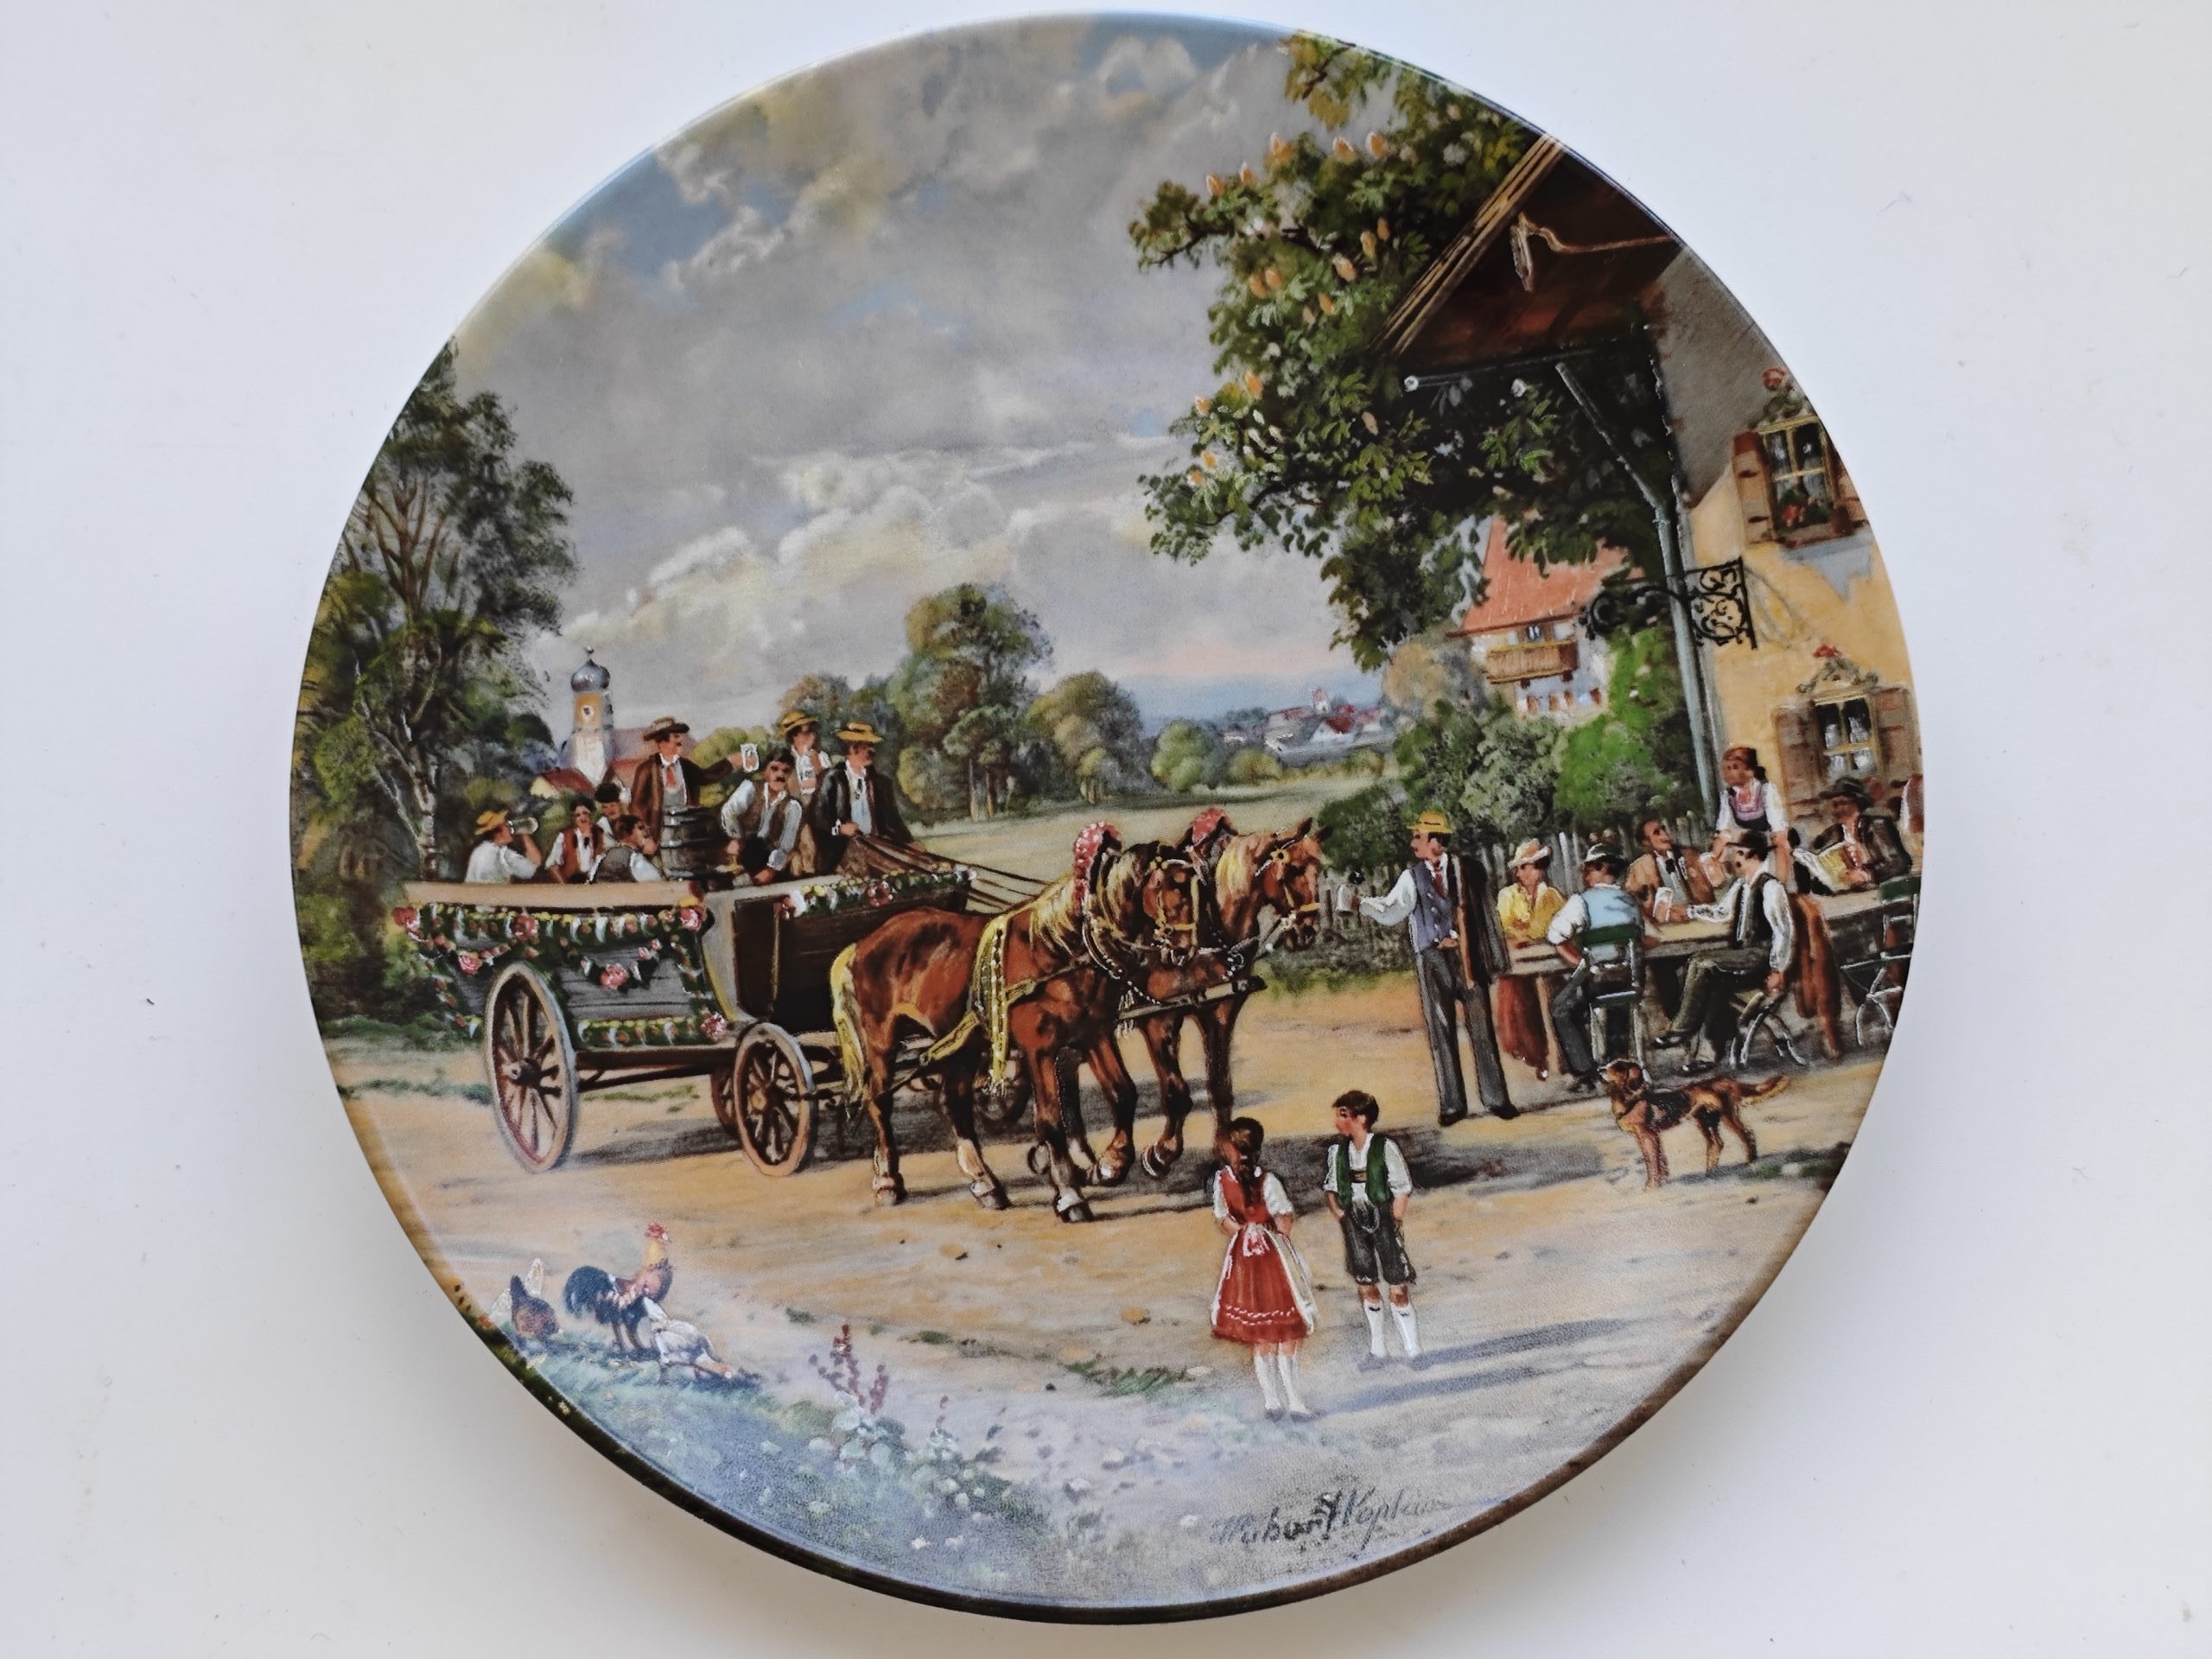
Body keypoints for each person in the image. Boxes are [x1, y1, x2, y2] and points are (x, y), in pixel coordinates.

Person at [1344, 810, 1516, 1124]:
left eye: (1418, 837)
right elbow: (1393, 909)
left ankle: (1496, 1099)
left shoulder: (1467, 870)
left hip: (1468, 957)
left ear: (1436, 841)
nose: (1413, 844)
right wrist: (1362, 904)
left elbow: (1486, 914)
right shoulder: (1412, 877)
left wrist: (1486, 953)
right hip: (1432, 959)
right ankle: (1452, 1105)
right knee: (1440, 1031)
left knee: (1482, 1028)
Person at [1654, 830, 1796, 1069]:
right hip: (1743, 956)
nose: (1734, 858)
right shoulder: (1741, 885)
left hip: (1760, 957)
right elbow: (1721, 912)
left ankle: (1680, 1029)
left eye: (1739, 853)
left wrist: (1778, 969)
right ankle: (1706, 1055)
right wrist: (1689, 911)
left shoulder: (1771, 887)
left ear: (1754, 856)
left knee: (1701, 961)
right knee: (1713, 983)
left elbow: (1783, 931)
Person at [1210, 1116, 1316, 1421]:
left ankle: (1279, 1402)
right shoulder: (1261, 1181)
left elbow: (1224, 1220)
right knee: (1279, 1332)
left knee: (1269, 1333)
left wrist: (1245, 1234)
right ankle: (1286, 1402)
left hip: (1250, 1261)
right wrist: (1259, 1233)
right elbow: (1283, 1221)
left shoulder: (1231, 1181)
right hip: (1266, 1261)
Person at [1320, 1090, 1422, 1370]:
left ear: (1362, 1118)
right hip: (1353, 1218)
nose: (1337, 1121)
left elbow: (1402, 1186)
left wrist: (1394, 1219)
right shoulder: (1337, 1152)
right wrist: (1341, 1213)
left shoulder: (1384, 1147)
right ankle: (1378, 1350)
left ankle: (1413, 1350)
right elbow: (1331, 1186)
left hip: (1382, 1216)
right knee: (1366, 1283)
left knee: (1397, 1283)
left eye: (1343, 1115)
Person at [1545, 842, 1651, 1092]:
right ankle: (1618, 1065)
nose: (1585, 874)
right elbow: (1643, 937)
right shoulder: (1630, 901)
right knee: (1617, 1001)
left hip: (1598, 979)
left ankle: (1585, 1073)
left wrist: (1577, 962)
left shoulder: (1581, 901)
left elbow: (1554, 934)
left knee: (1561, 1008)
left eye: (1590, 868)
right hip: (1630, 979)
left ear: (1603, 869)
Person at [1492, 839, 1564, 1077]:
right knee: (1515, 988)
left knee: (1558, 987)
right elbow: (1505, 927)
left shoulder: (1551, 895)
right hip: (1521, 958)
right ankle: (1532, 1051)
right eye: (1521, 867)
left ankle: (1564, 1056)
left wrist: (1528, 931)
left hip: (1550, 956)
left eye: (1531, 866)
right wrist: (1530, 932)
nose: (1524, 872)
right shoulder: (1508, 895)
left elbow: (1563, 922)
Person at [811, 721, 912, 873]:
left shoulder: (881, 783)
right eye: (865, 748)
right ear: (851, 750)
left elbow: (893, 820)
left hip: (877, 845)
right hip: (843, 850)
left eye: (871, 747)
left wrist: (909, 842)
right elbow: (818, 817)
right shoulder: (833, 779)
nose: (871, 752)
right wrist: (840, 829)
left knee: (912, 866)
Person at [626, 717, 733, 836]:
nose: (680, 740)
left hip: (687, 828)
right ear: (663, 742)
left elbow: (705, 777)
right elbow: (636, 806)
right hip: (660, 832)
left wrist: (729, 763)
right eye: (676, 736)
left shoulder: (685, 766)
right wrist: (646, 835)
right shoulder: (646, 769)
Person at [1807, 779, 1913, 890]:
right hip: (1853, 893)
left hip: (1886, 889)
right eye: (1834, 804)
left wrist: (1867, 874)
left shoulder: (1878, 826)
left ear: (1857, 803)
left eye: (1842, 803)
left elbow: (1900, 862)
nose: (1836, 809)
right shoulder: (1833, 833)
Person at [719, 749, 805, 885]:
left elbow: (785, 845)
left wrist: (770, 869)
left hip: (768, 859)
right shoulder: (750, 789)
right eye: (774, 769)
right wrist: (735, 837)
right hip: (741, 851)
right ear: (765, 771)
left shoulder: (793, 807)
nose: (780, 775)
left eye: (786, 771)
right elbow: (729, 811)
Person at [1624, 816, 1714, 923]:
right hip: (1666, 925)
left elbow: (1708, 889)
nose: (1664, 834)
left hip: (1699, 918)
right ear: (1646, 843)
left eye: (1664, 829)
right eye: (1657, 833)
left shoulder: (1691, 855)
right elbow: (1632, 902)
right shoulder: (1639, 868)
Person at [464, 810, 543, 883]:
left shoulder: (504, 852)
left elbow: (532, 867)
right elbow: (488, 884)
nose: (510, 828)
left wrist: (524, 834)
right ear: (498, 832)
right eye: (506, 826)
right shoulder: (486, 852)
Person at [588, 815, 662, 883]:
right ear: (627, 833)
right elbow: (654, 880)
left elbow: (591, 878)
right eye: (640, 828)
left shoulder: (603, 856)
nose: (645, 833)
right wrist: (649, 856)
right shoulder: (635, 858)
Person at [545, 800, 606, 883]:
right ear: (574, 818)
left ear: (591, 814)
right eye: (578, 815)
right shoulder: (565, 836)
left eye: (585, 813)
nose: (582, 818)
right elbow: (551, 865)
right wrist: (565, 886)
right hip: (571, 884)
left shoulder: (600, 835)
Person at [779, 709, 825, 806]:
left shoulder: (821, 757)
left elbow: (829, 785)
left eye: (812, 731)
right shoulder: (786, 760)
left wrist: (818, 768)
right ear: (794, 736)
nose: (813, 735)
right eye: (807, 732)